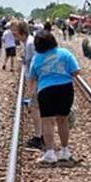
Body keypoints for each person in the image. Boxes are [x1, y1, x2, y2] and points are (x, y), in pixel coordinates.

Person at [28, 31, 80, 164]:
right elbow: (76, 72)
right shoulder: (65, 54)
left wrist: (32, 95)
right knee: (63, 119)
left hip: (46, 90)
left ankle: (50, 152)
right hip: (65, 88)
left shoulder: (37, 58)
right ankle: (65, 150)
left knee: (47, 121)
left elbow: (32, 78)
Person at [12, 21, 43, 149]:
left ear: (21, 32)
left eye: (15, 32)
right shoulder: (26, 43)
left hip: (36, 80)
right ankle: (40, 134)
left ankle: (39, 136)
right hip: (34, 80)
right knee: (35, 108)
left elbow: (32, 64)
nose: (13, 34)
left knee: (35, 108)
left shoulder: (30, 43)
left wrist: (31, 85)